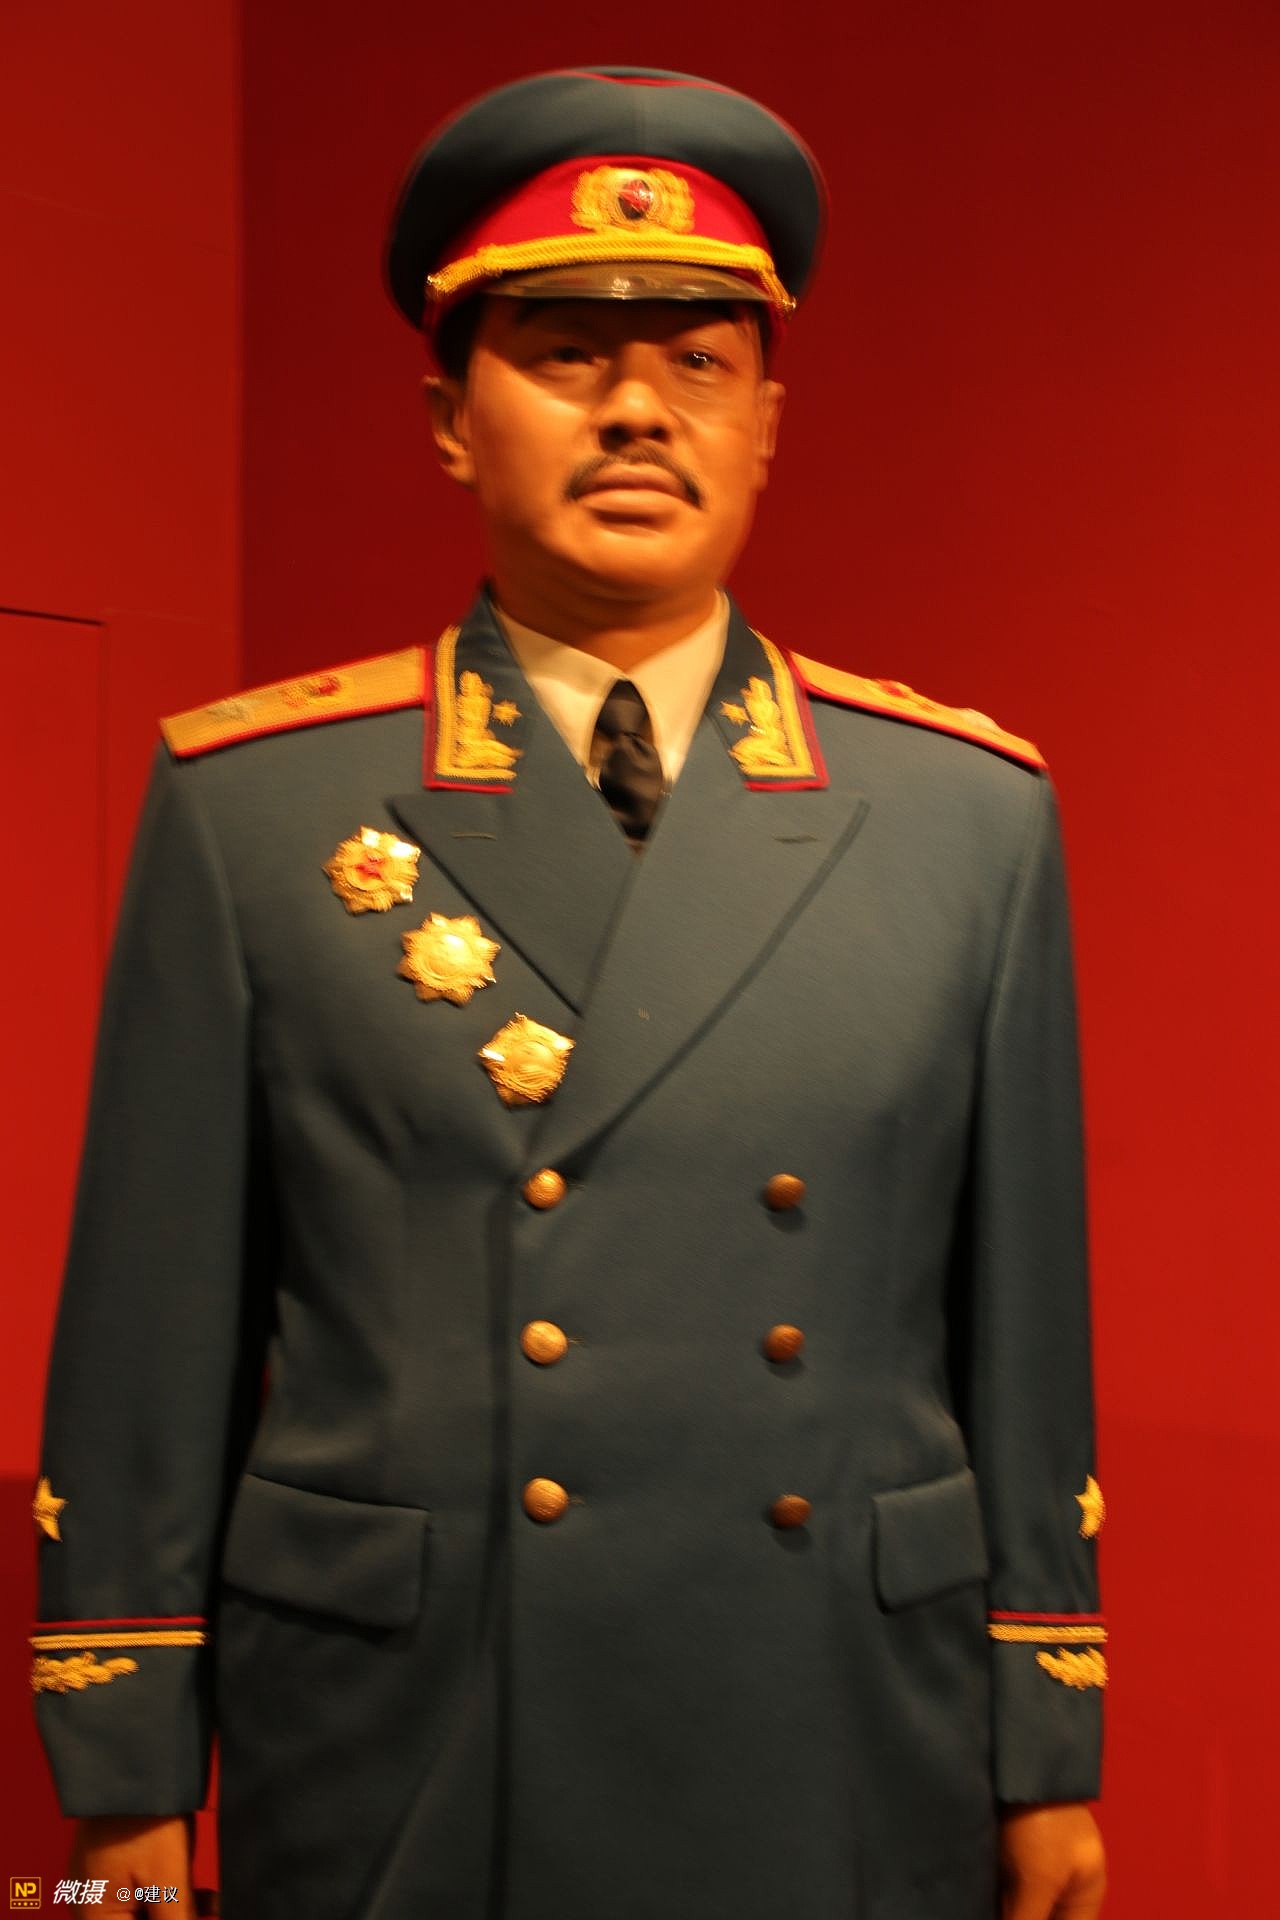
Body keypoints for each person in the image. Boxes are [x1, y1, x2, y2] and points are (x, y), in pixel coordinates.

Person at [32, 65, 1107, 1920]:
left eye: (699, 362)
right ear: (451, 420)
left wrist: (1049, 1739)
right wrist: (125, 1766)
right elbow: (153, 1326)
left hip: (842, 1711)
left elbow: (1021, 1336)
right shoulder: (254, 804)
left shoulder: (965, 815)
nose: (635, 409)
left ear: (768, 423)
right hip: (409, 1722)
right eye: (562, 354)